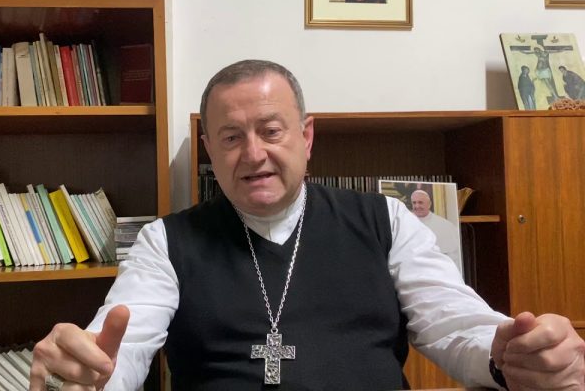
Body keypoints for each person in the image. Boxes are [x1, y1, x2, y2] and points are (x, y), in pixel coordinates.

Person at [30, 60, 585, 390]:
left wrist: (508, 356)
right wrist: (86, 373)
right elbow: (121, 345)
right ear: (209, 150)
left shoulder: (386, 220)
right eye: (231, 137)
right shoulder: (165, 242)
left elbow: (453, 325)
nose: (254, 154)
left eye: (271, 131)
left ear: (307, 135)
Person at [410, 189, 463, 275]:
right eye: (414, 203)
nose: (417, 206)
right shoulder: (404, 223)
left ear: (429, 204)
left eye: (420, 202)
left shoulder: (445, 225)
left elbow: (454, 257)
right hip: (411, 273)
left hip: (437, 273)